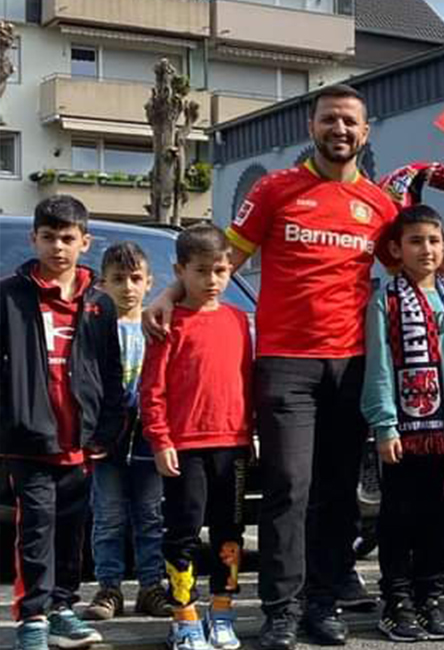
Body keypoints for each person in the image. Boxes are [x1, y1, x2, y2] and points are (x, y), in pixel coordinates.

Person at [146, 85, 441, 650]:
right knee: (289, 489)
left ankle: (322, 604)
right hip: (285, 365)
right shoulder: (275, 190)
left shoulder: (381, 206)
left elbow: (413, 269)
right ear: (312, 125)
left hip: (352, 364)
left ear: (365, 131)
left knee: (336, 494)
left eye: (350, 121)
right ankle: (280, 610)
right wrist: (167, 293)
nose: (340, 129)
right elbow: (224, 258)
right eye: (330, 118)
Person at [2, 195, 126, 650]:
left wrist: (107, 429)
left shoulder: (99, 304)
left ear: (85, 242)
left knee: (72, 530)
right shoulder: (9, 296)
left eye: (68, 238)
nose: (58, 246)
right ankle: (32, 618)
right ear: (34, 238)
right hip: (29, 438)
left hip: (81, 439)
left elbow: (111, 372)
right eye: (49, 237)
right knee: (36, 528)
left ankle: (62, 610)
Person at [361, 206, 444, 643]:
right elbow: (378, 364)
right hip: (405, 433)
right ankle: (397, 601)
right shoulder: (386, 299)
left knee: (443, 520)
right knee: (400, 517)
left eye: (434, 241)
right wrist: (385, 424)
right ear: (396, 249)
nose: (426, 249)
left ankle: (429, 598)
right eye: (416, 241)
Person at [140, 225, 254, 650]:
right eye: (202, 271)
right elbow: (151, 389)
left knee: (231, 533)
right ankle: (183, 615)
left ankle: (221, 611)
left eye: (221, 270)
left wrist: (251, 433)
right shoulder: (166, 322)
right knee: (183, 529)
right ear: (180, 271)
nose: (213, 281)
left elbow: (246, 380)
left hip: (234, 446)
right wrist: (160, 438)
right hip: (184, 447)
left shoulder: (239, 320)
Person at [85, 243, 170, 623]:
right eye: (118, 279)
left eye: (136, 279)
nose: (128, 287)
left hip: (149, 439)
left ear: (150, 282)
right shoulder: (95, 329)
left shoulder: (157, 327)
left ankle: (151, 586)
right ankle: (109, 589)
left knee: (151, 516)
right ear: (102, 284)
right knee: (108, 517)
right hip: (108, 440)